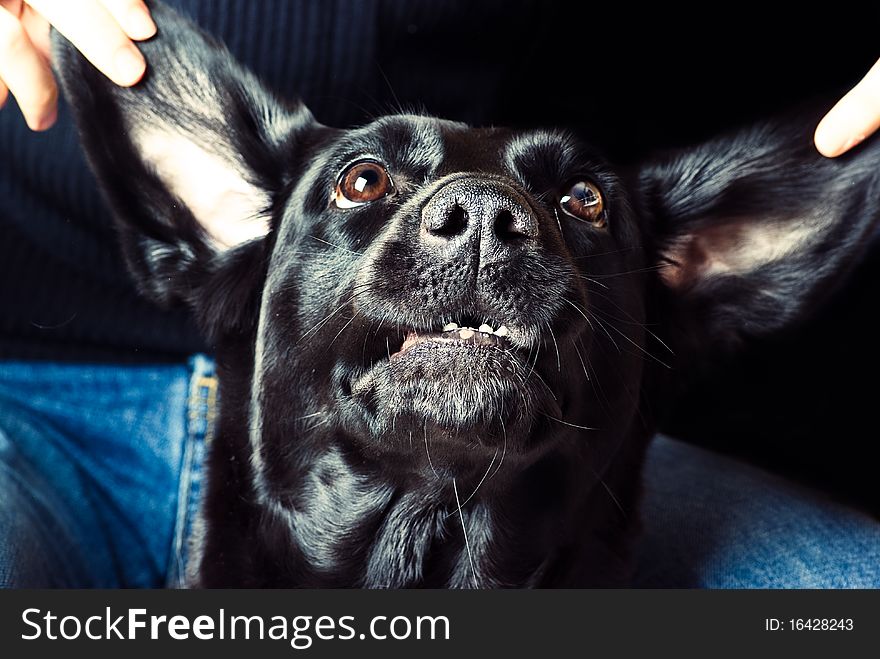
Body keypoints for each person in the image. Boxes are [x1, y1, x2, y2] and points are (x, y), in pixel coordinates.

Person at [1, 0, 878, 588]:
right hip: (48, 402)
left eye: (577, 207)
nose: (485, 221)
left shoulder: (664, 274)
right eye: (366, 182)